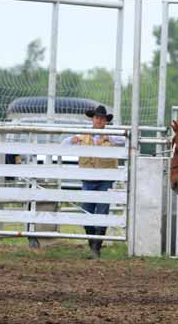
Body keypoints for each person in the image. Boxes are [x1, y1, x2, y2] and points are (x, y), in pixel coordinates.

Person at [62, 105, 125, 259]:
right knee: (86, 212)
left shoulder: (112, 135)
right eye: (97, 118)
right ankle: (93, 245)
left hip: (105, 179)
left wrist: (109, 137)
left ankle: (96, 248)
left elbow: (124, 139)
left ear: (105, 121)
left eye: (102, 118)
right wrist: (73, 139)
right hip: (88, 178)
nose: (99, 120)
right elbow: (64, 144)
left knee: (102, 213)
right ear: (93, 119)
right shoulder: (83, 135)